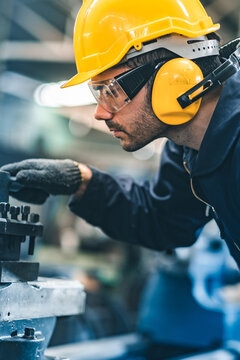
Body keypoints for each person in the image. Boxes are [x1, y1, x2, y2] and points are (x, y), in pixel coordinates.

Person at [2, 0, 240, 266]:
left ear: (174, 77)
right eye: (98, 93)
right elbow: (164, 219)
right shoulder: (187, 146)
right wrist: (81, 181)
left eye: (111, 91)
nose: (100, 113)